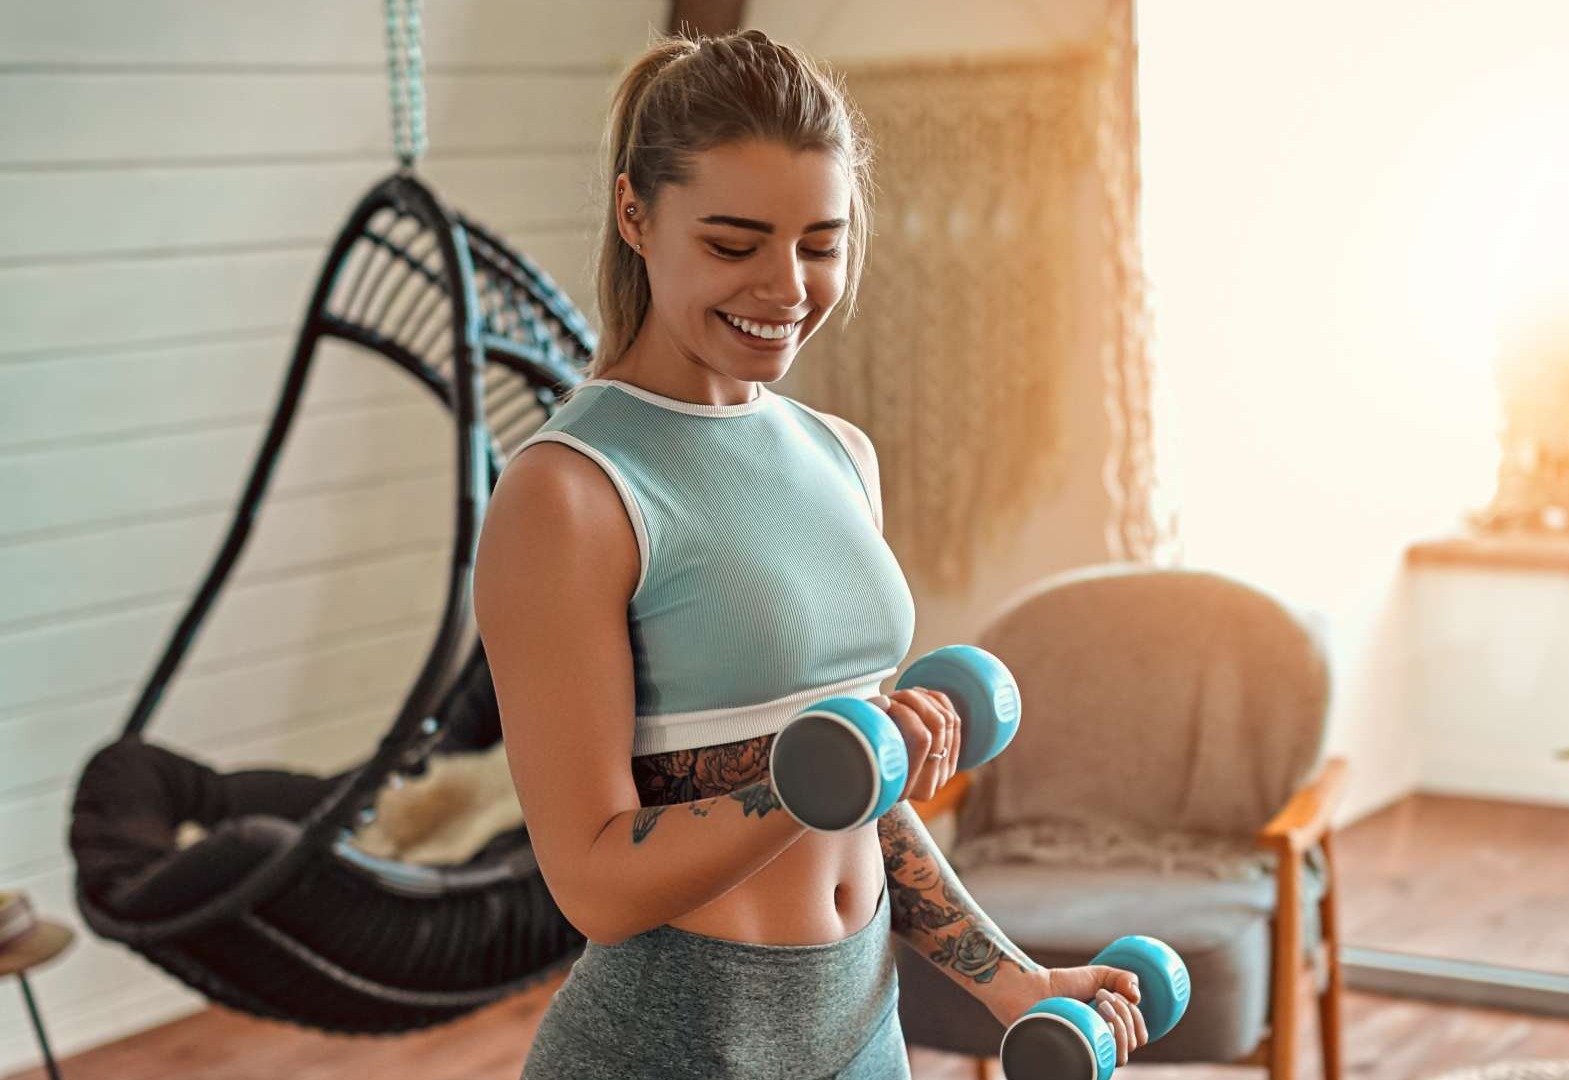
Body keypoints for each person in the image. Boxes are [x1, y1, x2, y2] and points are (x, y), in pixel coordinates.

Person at [474, 29, 1149, 1080]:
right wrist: (803, 783)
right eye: (735, 245)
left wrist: (1013, 979)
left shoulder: (840, 455)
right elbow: (594, 883)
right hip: (675, 1043)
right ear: (634, 216)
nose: (785, 287)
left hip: (859, 1027)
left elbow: (863, 790)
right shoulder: (568, 494)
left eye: (820, 243)